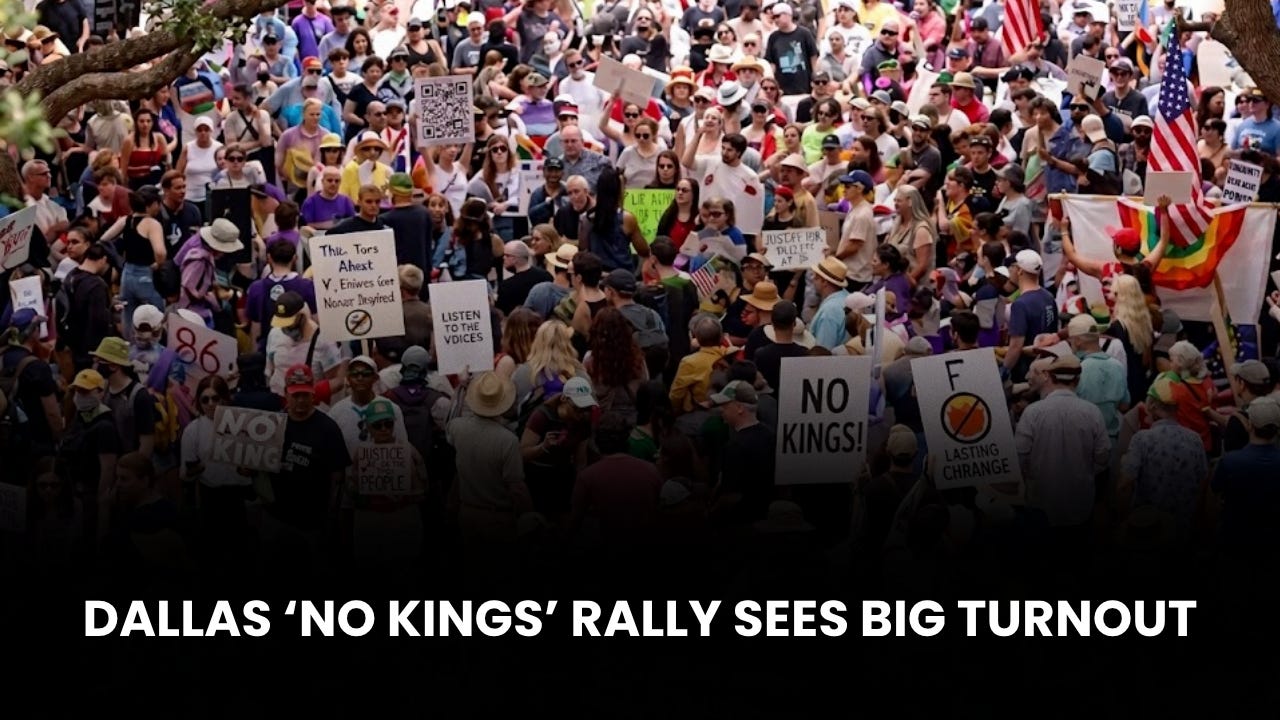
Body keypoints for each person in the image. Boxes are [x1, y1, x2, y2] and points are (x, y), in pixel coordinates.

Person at [1016, 353, 1111, 529]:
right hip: (1080, 504)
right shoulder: (1092, 412)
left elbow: (1020, 456)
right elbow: (1103, 457)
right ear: (1077, 380)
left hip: (1040, 504)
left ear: (1050, 377)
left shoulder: (1032, 412)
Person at [1119, 375, 1208, 534]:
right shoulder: (1195, 439)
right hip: (1183, 527)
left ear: (1152, 406)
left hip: (1149, 527)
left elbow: (1125, 483)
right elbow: (1202, 483)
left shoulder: (1141, 439)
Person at [448, 371, 529, 542]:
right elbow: (516, 487)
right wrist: (529, 514)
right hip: (498, 518)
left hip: (467, 513)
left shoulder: (456, 428)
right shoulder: (508, 441)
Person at [1213, 396, 1280, 549]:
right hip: (1273, 541)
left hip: (1235, 538)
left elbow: (1215, 493)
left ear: (1250, 424)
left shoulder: (1230, 461)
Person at [1003, 249, 1056, 383]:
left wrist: (1004, 370)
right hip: (1048, 367)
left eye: (1012, 267)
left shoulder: (1020, 304)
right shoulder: (1048, 297)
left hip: (1027, 372)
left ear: (1019, 270)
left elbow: (1016, 346)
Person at [497, 240, 552, 315]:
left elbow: (502, 313)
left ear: (515, 258)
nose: (503, 258)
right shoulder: (546, 275)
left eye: (507, 255)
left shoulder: (506, 286)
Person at [809, 257, 851, 350]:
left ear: (824, 282)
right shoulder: (846, 296)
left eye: (816, 277)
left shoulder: (829, 312)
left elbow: (823, 351)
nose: (812, 279)